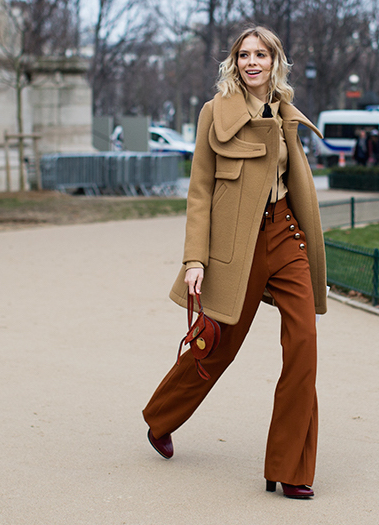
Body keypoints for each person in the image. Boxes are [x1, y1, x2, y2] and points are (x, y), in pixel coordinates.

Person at [142, 26, 327, 500]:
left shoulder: (285, 111)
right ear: (234, 63)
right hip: (235, 246)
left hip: (285, 235)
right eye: (243, 55)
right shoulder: (214, 113)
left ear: (274, 61)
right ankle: (161, 416)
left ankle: (290, 468)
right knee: (218, 345)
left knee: (304, 344)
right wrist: (194, 260)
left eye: (260, 55)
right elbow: (200, 191)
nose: (251, 62)